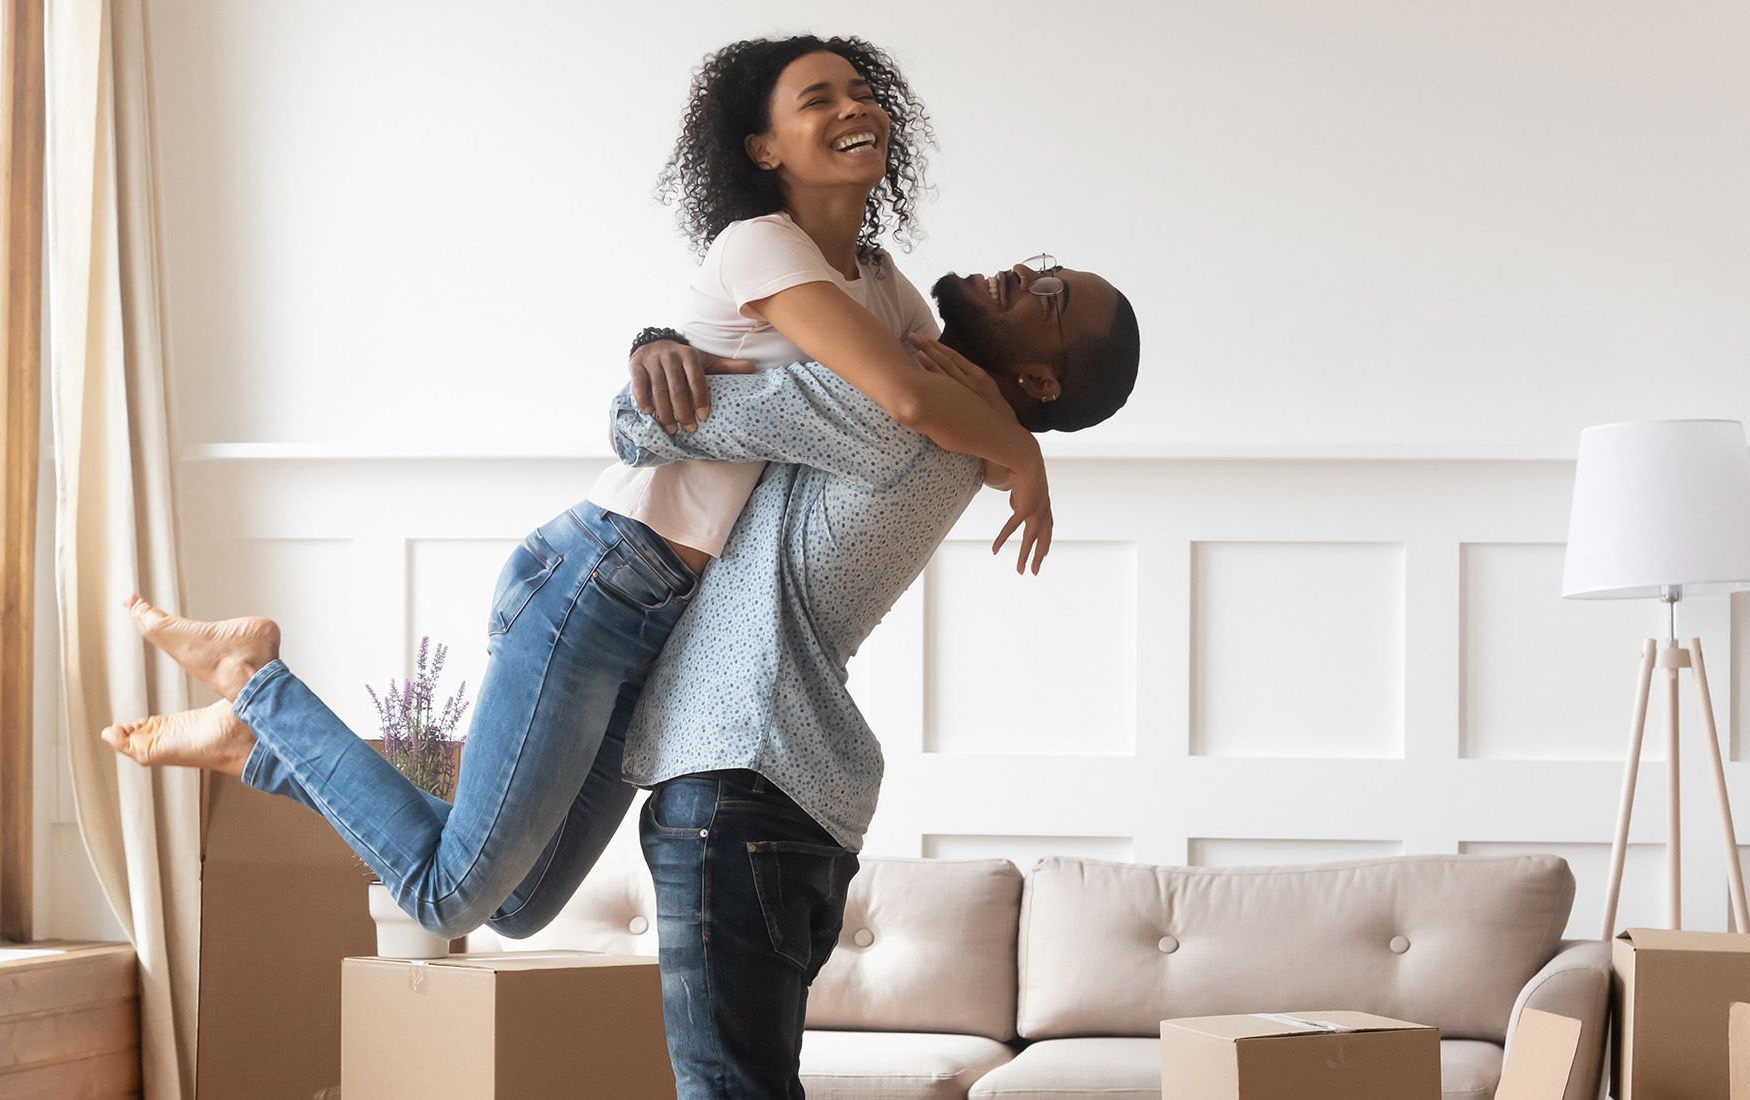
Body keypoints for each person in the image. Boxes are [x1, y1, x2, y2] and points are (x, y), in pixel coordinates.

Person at [102, 35, 1063, 943]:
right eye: (820, 98)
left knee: (517, 906)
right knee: (447, 901)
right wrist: (1026, 458)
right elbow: (905, 397)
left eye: (863, 91)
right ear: (762, 146)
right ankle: (257, 684)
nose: (856, 107)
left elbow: (948, 391)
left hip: (662, 618)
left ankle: (258, 746)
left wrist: (1002, 431)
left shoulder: (878, 280)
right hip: (599, 578)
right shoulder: (762, 245)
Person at [614, 264, 1140, 1099]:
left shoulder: (900, 402)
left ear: (1038, 379)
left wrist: (661, 353)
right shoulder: (938, 416)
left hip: (743, 776)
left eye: (1051, 299)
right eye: (1047, 266)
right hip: (784, 799)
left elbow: (646, 420)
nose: (1025, 274)